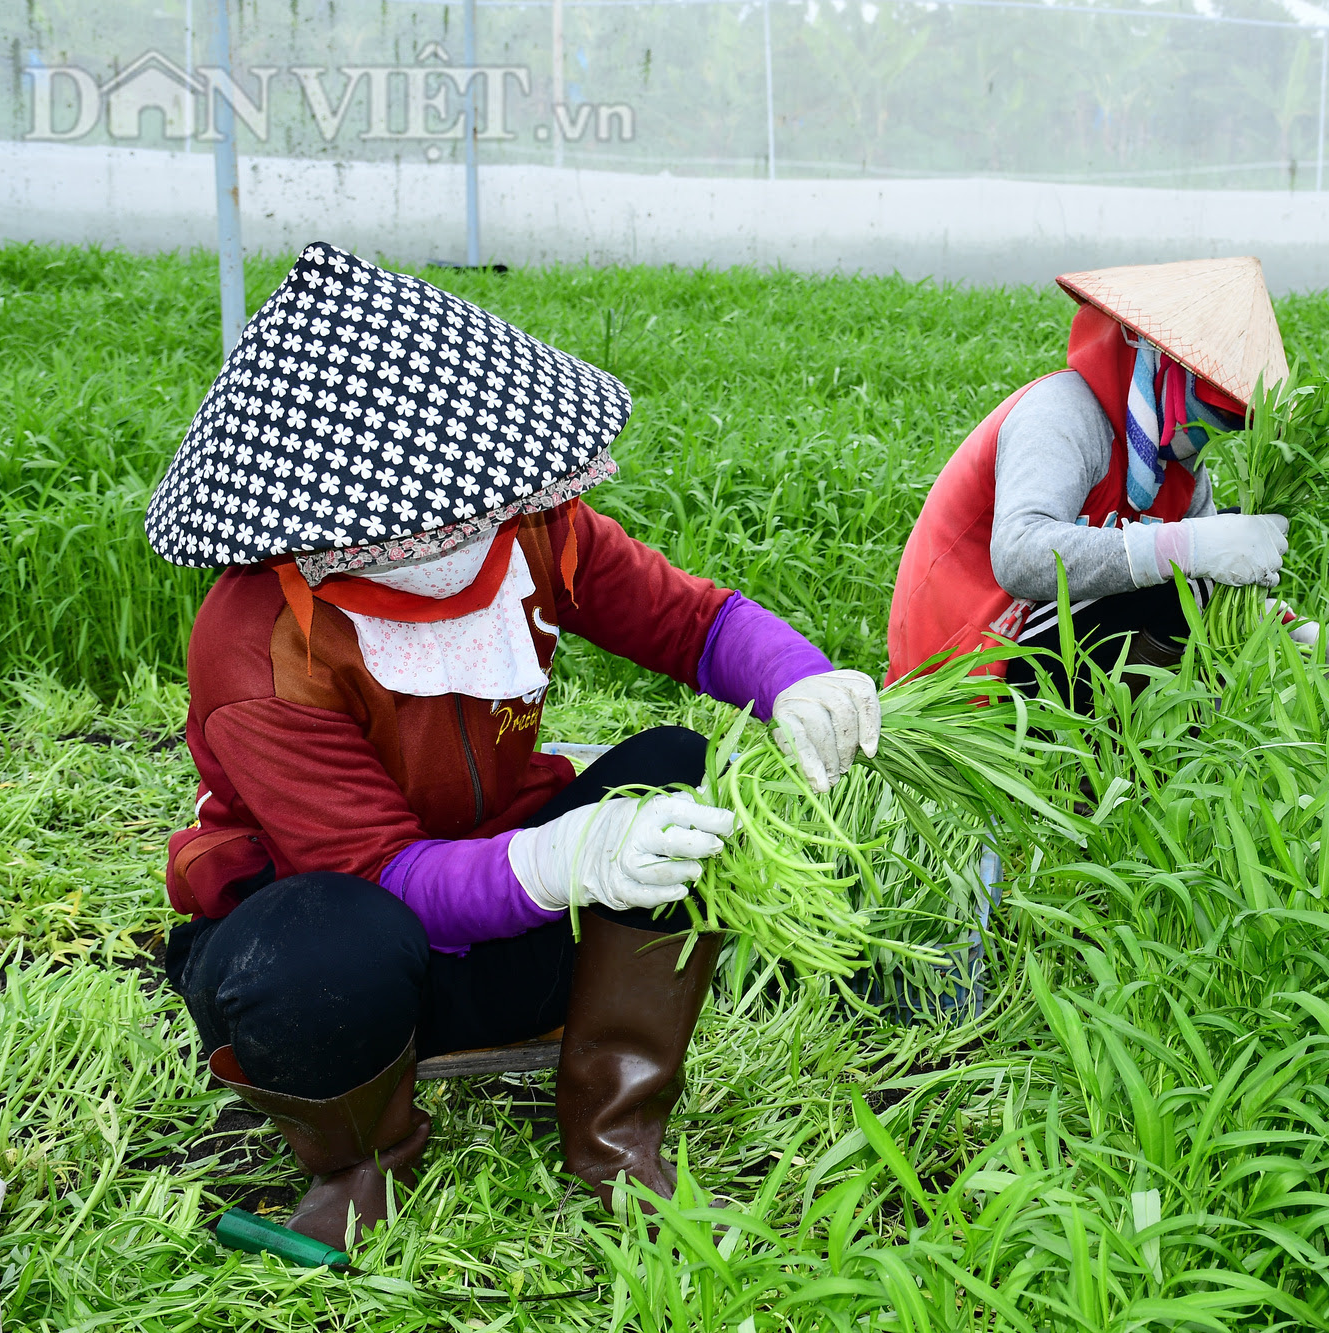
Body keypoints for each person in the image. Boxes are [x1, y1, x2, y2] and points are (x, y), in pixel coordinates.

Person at [149, 243, 880, 1251]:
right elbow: (378, 872)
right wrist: (563, 859)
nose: (450, 542)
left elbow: (689, 622)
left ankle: (616, 1127)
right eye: (410, 530)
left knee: (676, 763)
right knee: (318, 946)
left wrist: (795, 676)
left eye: (473, 512)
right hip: (350, 971)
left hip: (519, 919)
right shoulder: (259, 650)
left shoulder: (534, 533)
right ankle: (363, 1158)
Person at [886, 257, 1329, 700]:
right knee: (1176, 580)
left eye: (1231, 419)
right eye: (1210, 401)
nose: (1210, 430)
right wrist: (1184, 547)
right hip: (965, 656)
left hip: (1047, 639)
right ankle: (1079, 753)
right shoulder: (1061, 414)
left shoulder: (1178, 465)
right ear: (1160, 360)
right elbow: (1019, 556)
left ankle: (1126, 751)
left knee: (1202, 567)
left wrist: (1298, 634)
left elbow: (1211, 576)